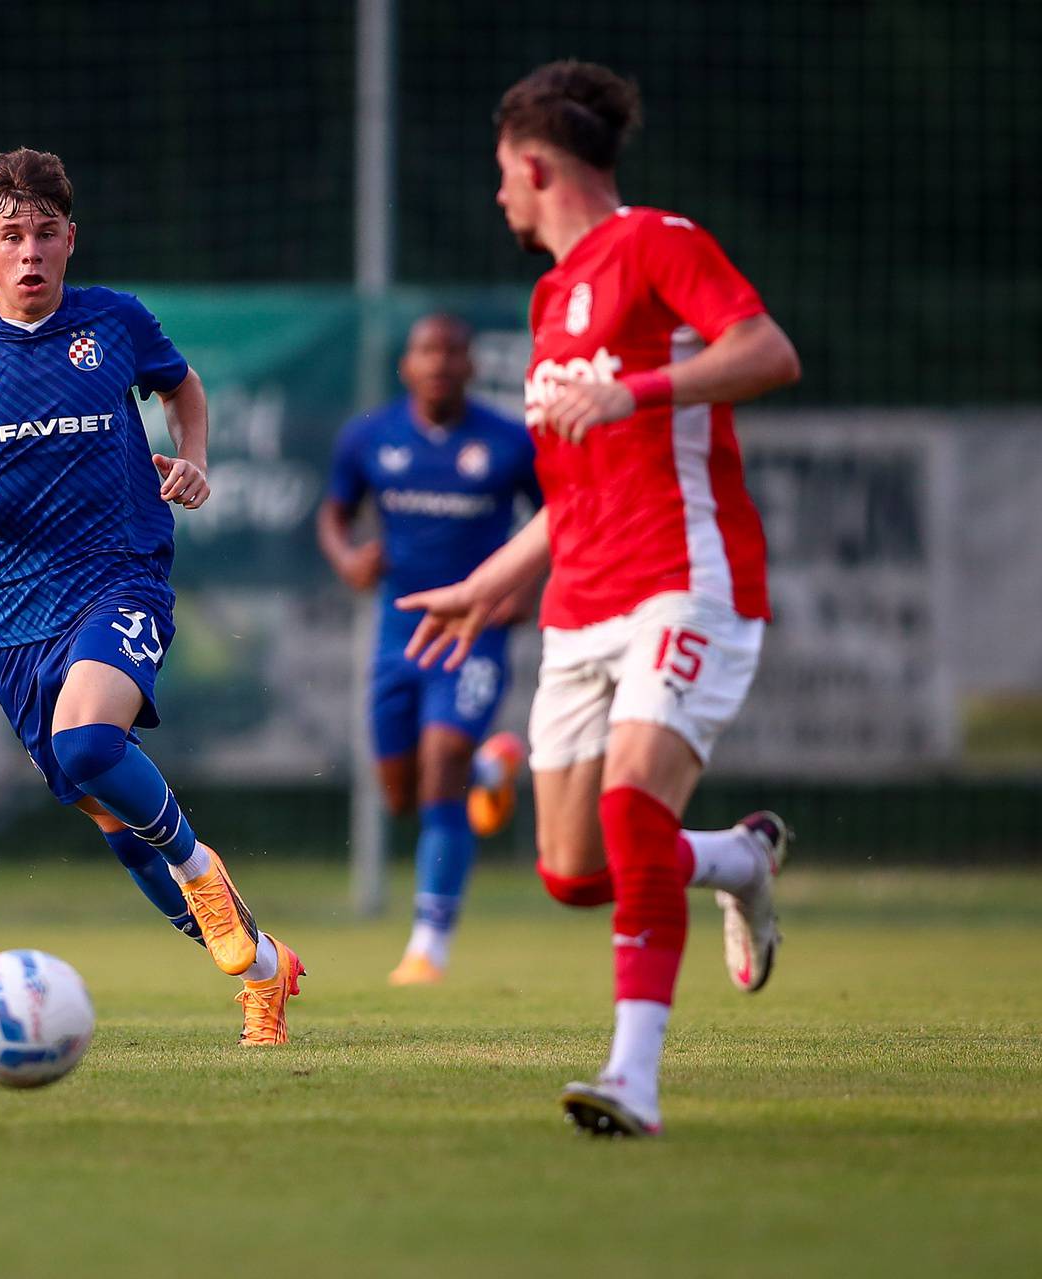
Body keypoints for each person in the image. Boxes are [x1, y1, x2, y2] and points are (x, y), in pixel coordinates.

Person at [399, 61, 802, 1136]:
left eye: (502, 175)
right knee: (575, 873)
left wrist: (638, 387)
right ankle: (737, 860)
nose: (498, 197)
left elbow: (768, 351)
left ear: (535, 166)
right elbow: (577, 486)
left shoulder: (661, 242)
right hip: (578, 603)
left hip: (686, 582)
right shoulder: (545, 298)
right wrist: (498, 577)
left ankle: (632, 1077)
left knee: (630, 813)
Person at [0, 148, 304, 1045]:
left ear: (71, 239)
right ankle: (266, 971)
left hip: (120, 575)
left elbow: (182, 387)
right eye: (13, 236)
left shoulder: (114, 322)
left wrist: (192, 458)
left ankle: (202, 867)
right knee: (113, 814)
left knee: (90, 743)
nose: (32, 251)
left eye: (46, 233)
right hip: (16, 617)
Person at [317, 314, 542, 985]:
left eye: (453, 351)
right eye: (427, 351)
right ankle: (488, 774)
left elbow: (562, 514)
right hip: (397, 634)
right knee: (401, 794)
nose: (440, 362)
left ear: (470, 366)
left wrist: (524, 589)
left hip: (474, 632)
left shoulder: (508, 442)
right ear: (406, 366)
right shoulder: (369, 437)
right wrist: (347, 557)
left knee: (442, 756)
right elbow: (332, 512)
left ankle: (429, 945)